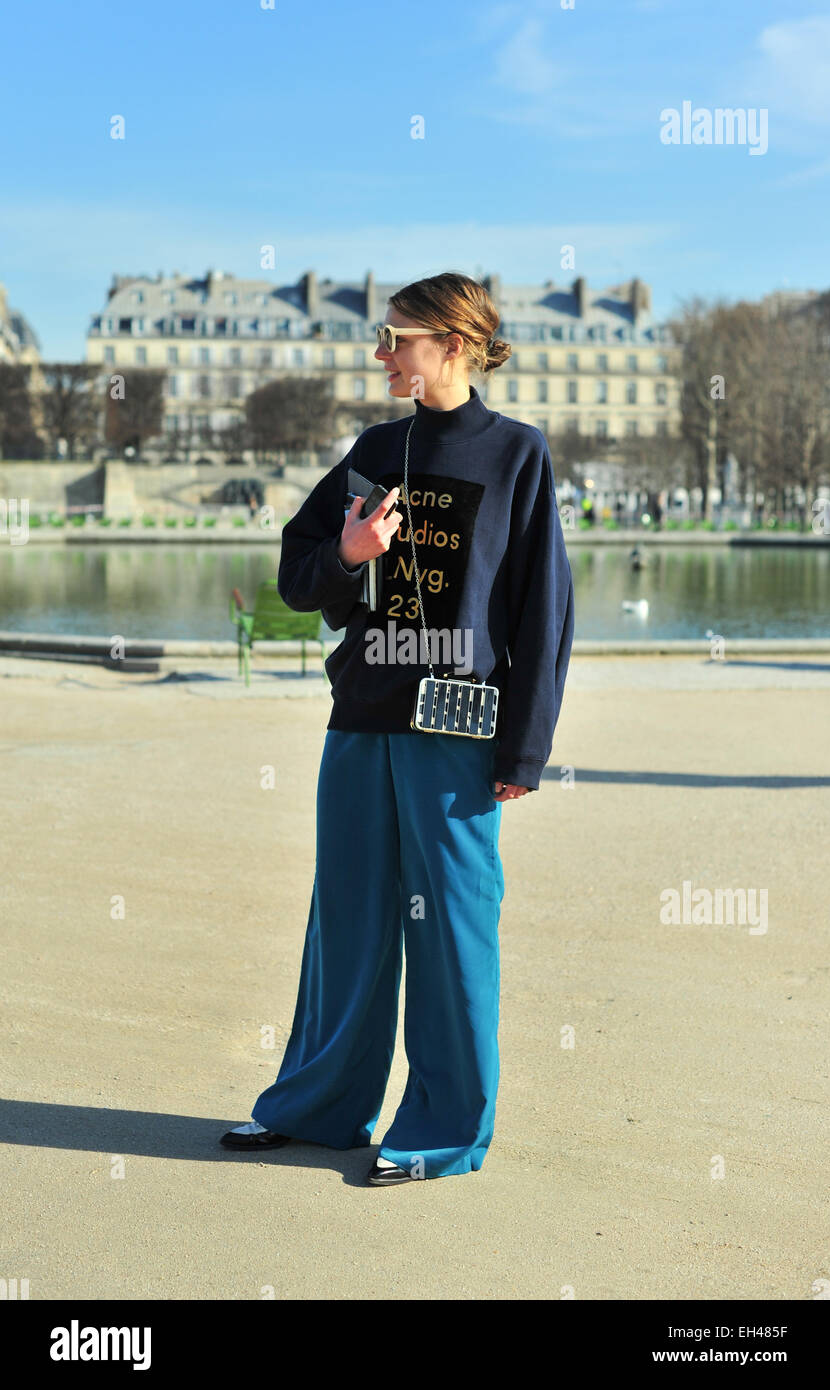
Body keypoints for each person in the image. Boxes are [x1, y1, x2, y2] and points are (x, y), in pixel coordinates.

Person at [220, 271, 574, 1184]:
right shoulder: (375, 447)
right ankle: (318, 1108)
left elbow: (544, 615)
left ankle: (445, 1129)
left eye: (395, 337)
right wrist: (347, 553)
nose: (381, 353)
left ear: (450, 344)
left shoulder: (517, 456)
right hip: (361, 716)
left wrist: (524, 750)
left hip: (458, 731)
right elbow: (299, 571)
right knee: (345, 920)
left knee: (454, 931)